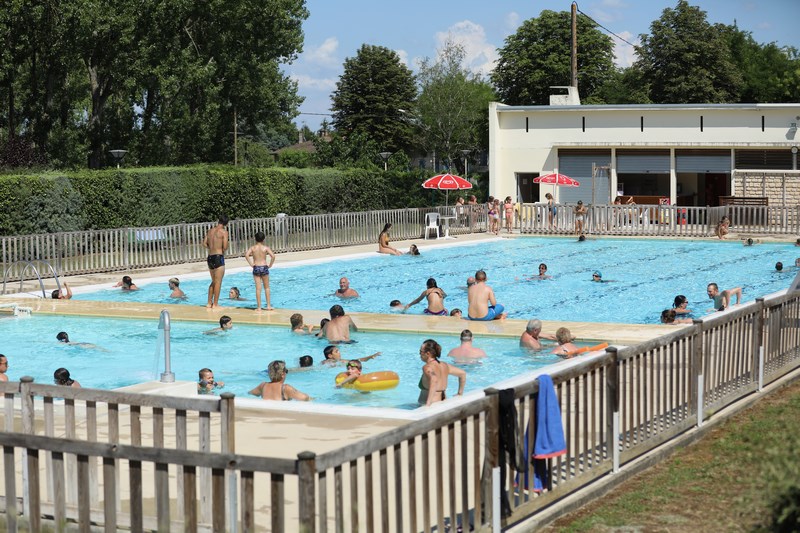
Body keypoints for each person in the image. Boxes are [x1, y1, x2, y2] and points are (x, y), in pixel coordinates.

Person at [418, 339, 466, 406]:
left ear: (428, 354)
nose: (419, 354)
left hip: (431, 404)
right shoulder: (445, 365)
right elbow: (462, 374)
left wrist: (428, 404)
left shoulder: (427, 367)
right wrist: (460, 393)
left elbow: (434, 380)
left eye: (420, 352)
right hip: (443, 402)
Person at [244, 231, 276, 312]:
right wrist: (270, 265)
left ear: (255, 239)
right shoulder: (265, 248)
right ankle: (268, 305)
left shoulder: (253, 248)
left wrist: (251, 264)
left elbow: (246, 255)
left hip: (256, 267)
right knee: (267, 287)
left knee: (258, 289)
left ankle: (259, 307)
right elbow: (273, 256)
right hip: (264, 267)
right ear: (264, 239)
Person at [203, 215, 229, 308]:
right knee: (218, 282)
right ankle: (215, 304)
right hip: (218, 257)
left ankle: (209, 303)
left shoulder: (210, 231)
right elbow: (225, 247)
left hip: (210, 257)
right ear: (226, 223)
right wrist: (220, 248)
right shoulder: (224, 232)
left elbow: (204, 243)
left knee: (213, 281)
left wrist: (211, 248)